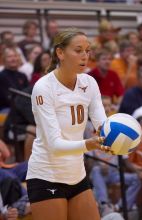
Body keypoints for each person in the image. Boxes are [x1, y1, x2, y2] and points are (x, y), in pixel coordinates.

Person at [26, 28, 113, 220]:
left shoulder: (89, 83)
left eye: (88, 50)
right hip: (46, 175)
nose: (85, 56)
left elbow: (103, 126)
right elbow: (54, 145)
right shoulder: (43, 87)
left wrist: (119, 139)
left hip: (77, 175)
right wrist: (88, 144)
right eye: (78, 50)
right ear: (60, 53)